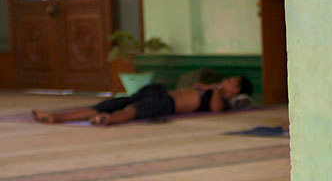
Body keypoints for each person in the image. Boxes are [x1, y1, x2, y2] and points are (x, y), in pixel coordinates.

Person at [31, 76, 253, 125]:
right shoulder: (210, 85)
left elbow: (215, 111)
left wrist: (214, 89)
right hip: (161, 93)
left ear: (237, 91)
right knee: (114, 102)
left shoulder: (221, 100)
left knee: (133, 110)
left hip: (168, 105)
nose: (226, 82)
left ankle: (108, 120)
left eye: (232, 83)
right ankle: (56, 116)